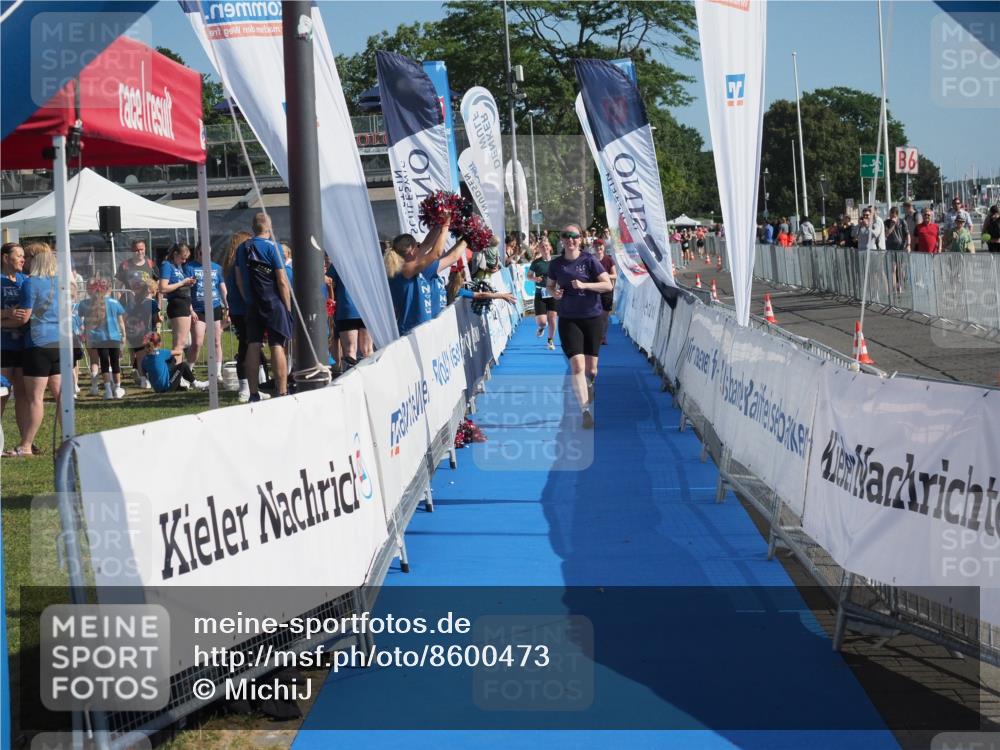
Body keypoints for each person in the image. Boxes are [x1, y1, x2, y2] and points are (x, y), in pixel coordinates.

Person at [546, 223, 613, 430]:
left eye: (574, 236)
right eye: (566, 236)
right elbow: (549, 285)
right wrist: (554, 292)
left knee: (591, 370)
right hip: (569, 318)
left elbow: (607, 285)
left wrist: (585, 285)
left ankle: (590, 384)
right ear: (562, 240)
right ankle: (585, 411)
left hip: (592, 318)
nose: (570, 240)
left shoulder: (590, 260)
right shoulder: (557, 264)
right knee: (577, 365)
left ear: (580, 239)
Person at [6, 244, 61, 457]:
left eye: (26, 256)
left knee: (35, 398)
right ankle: (67, 441)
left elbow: (24, 317)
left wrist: (6, 319)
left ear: (35, 259)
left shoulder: (31, 283)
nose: (24, 261)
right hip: (60, 344)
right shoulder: (59, 282)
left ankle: (26, 445)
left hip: (38, 344)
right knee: (61, 396)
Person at [235, 212, 293, 401]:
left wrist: (248, 299)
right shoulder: (273, 247)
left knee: (253, 345)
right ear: (269, 227)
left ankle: (253, 393)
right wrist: (287, 306)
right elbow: (282, 280)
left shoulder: (242, 248)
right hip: (273, 302)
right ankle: (282, 391)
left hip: (252, 304)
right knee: (277, 344)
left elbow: (239, 278)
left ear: (253, 227)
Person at [385, 216, 452, 335]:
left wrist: (439, 223)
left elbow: (426, 244)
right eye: (417, 246)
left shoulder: (404, 262)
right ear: (411, 250)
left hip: (417, 328)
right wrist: (446, 226)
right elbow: (436, 253)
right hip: (412, 330)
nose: (420, 247)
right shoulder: (405, 268)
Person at [185, 242, 227, 381]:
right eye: (202, 253)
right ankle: (188, 372)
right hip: (198, 309)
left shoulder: (216, 268)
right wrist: (191, 310)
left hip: (214, 307)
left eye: (208, 253)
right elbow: (186, 290)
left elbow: (222, 288)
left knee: (216, 341)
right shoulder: (190, 267)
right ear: (197, 252)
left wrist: (227, 306)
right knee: (197, 343)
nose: (205, 256)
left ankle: (217, 372)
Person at [79, 278, 127, 399]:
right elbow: (121, 322)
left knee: (104, 364)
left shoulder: (89, 303)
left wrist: (88, 337)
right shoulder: (114, 302)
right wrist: (124, 335)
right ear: (107, 289)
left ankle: (108, 391)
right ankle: (117, 388)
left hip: (99, 338)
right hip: (114, 337)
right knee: (115, 363)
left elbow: (87, 323)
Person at [1, 243, 29, 439]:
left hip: (23, 345)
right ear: (5, 258)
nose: (22, 259)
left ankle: (25, 441)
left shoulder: (25, 281)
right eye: (18, 255)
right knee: (2, 394)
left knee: (23, 395)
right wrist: (7, 313)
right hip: (3, 346)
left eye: (24, 256)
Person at [223, 231, 253, 400]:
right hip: (243, 308)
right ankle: (245, 387)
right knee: (246, 346)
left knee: (249, 345)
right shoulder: (238, 264)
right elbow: (241, 286)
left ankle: (253, 383)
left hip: (236, 309)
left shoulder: (229, 263)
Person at [327, 262, 371, 370]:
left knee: (350, 350)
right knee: (368, 350)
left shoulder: (339, 260)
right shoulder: (368, 260)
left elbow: (328, 281)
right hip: (368, 308)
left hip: (347, 309)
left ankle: (353, 385)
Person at [158, 243, 196, 360]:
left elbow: (181, 286)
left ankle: (178, 373)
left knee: (182, 343)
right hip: (177, 305)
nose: (184, 261)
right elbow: (163, 288)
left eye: (186, 258)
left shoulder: (178, 267)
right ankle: (176, 376)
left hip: (184, 304)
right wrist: (182, 283)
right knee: (179, 344)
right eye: (182, 257)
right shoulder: (167, 265)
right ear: (175, 254)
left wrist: (188, 283)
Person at [139, 333, 208, 393]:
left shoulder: (145, 359)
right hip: (167, 388)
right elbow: (179, 352)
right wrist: (181, 346)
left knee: (170, 360)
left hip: (157, 389)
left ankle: (179, 384)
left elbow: (144, 374)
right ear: (159, 343)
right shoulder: (162, 353)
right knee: (182, 365)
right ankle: (196, 384)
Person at [124, 278, 159, 389]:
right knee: (148, 357)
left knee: (140, 357)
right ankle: (147, 378)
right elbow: (156, 319)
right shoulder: (152, 303)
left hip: (136, 333)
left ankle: (144, 380)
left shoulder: (136, 303)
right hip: (148, 334)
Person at [528, 237, 558, 349]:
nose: (544, 248)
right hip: (540, 293)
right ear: (539, 249)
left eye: (546, 246)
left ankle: (550, 341)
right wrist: (535, 279)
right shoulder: (536, 263)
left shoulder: (556, 262)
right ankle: (541, 328)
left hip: (553, 292)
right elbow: (529, 276)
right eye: (542, 246)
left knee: (553, 317)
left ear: (550, 247)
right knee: (542, 322)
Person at [594, 241, 617, 344]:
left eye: (600, 246)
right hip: (594, 290)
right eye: (597, 246)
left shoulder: (609, 260)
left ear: (604, 247)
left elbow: (615, 275)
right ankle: (595, 336)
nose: (599, 248)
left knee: (604, 316)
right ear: (593, 247)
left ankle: (603, 337)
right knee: (595, 315)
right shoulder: (591, 259)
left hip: (607, 291)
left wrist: (605, 276)